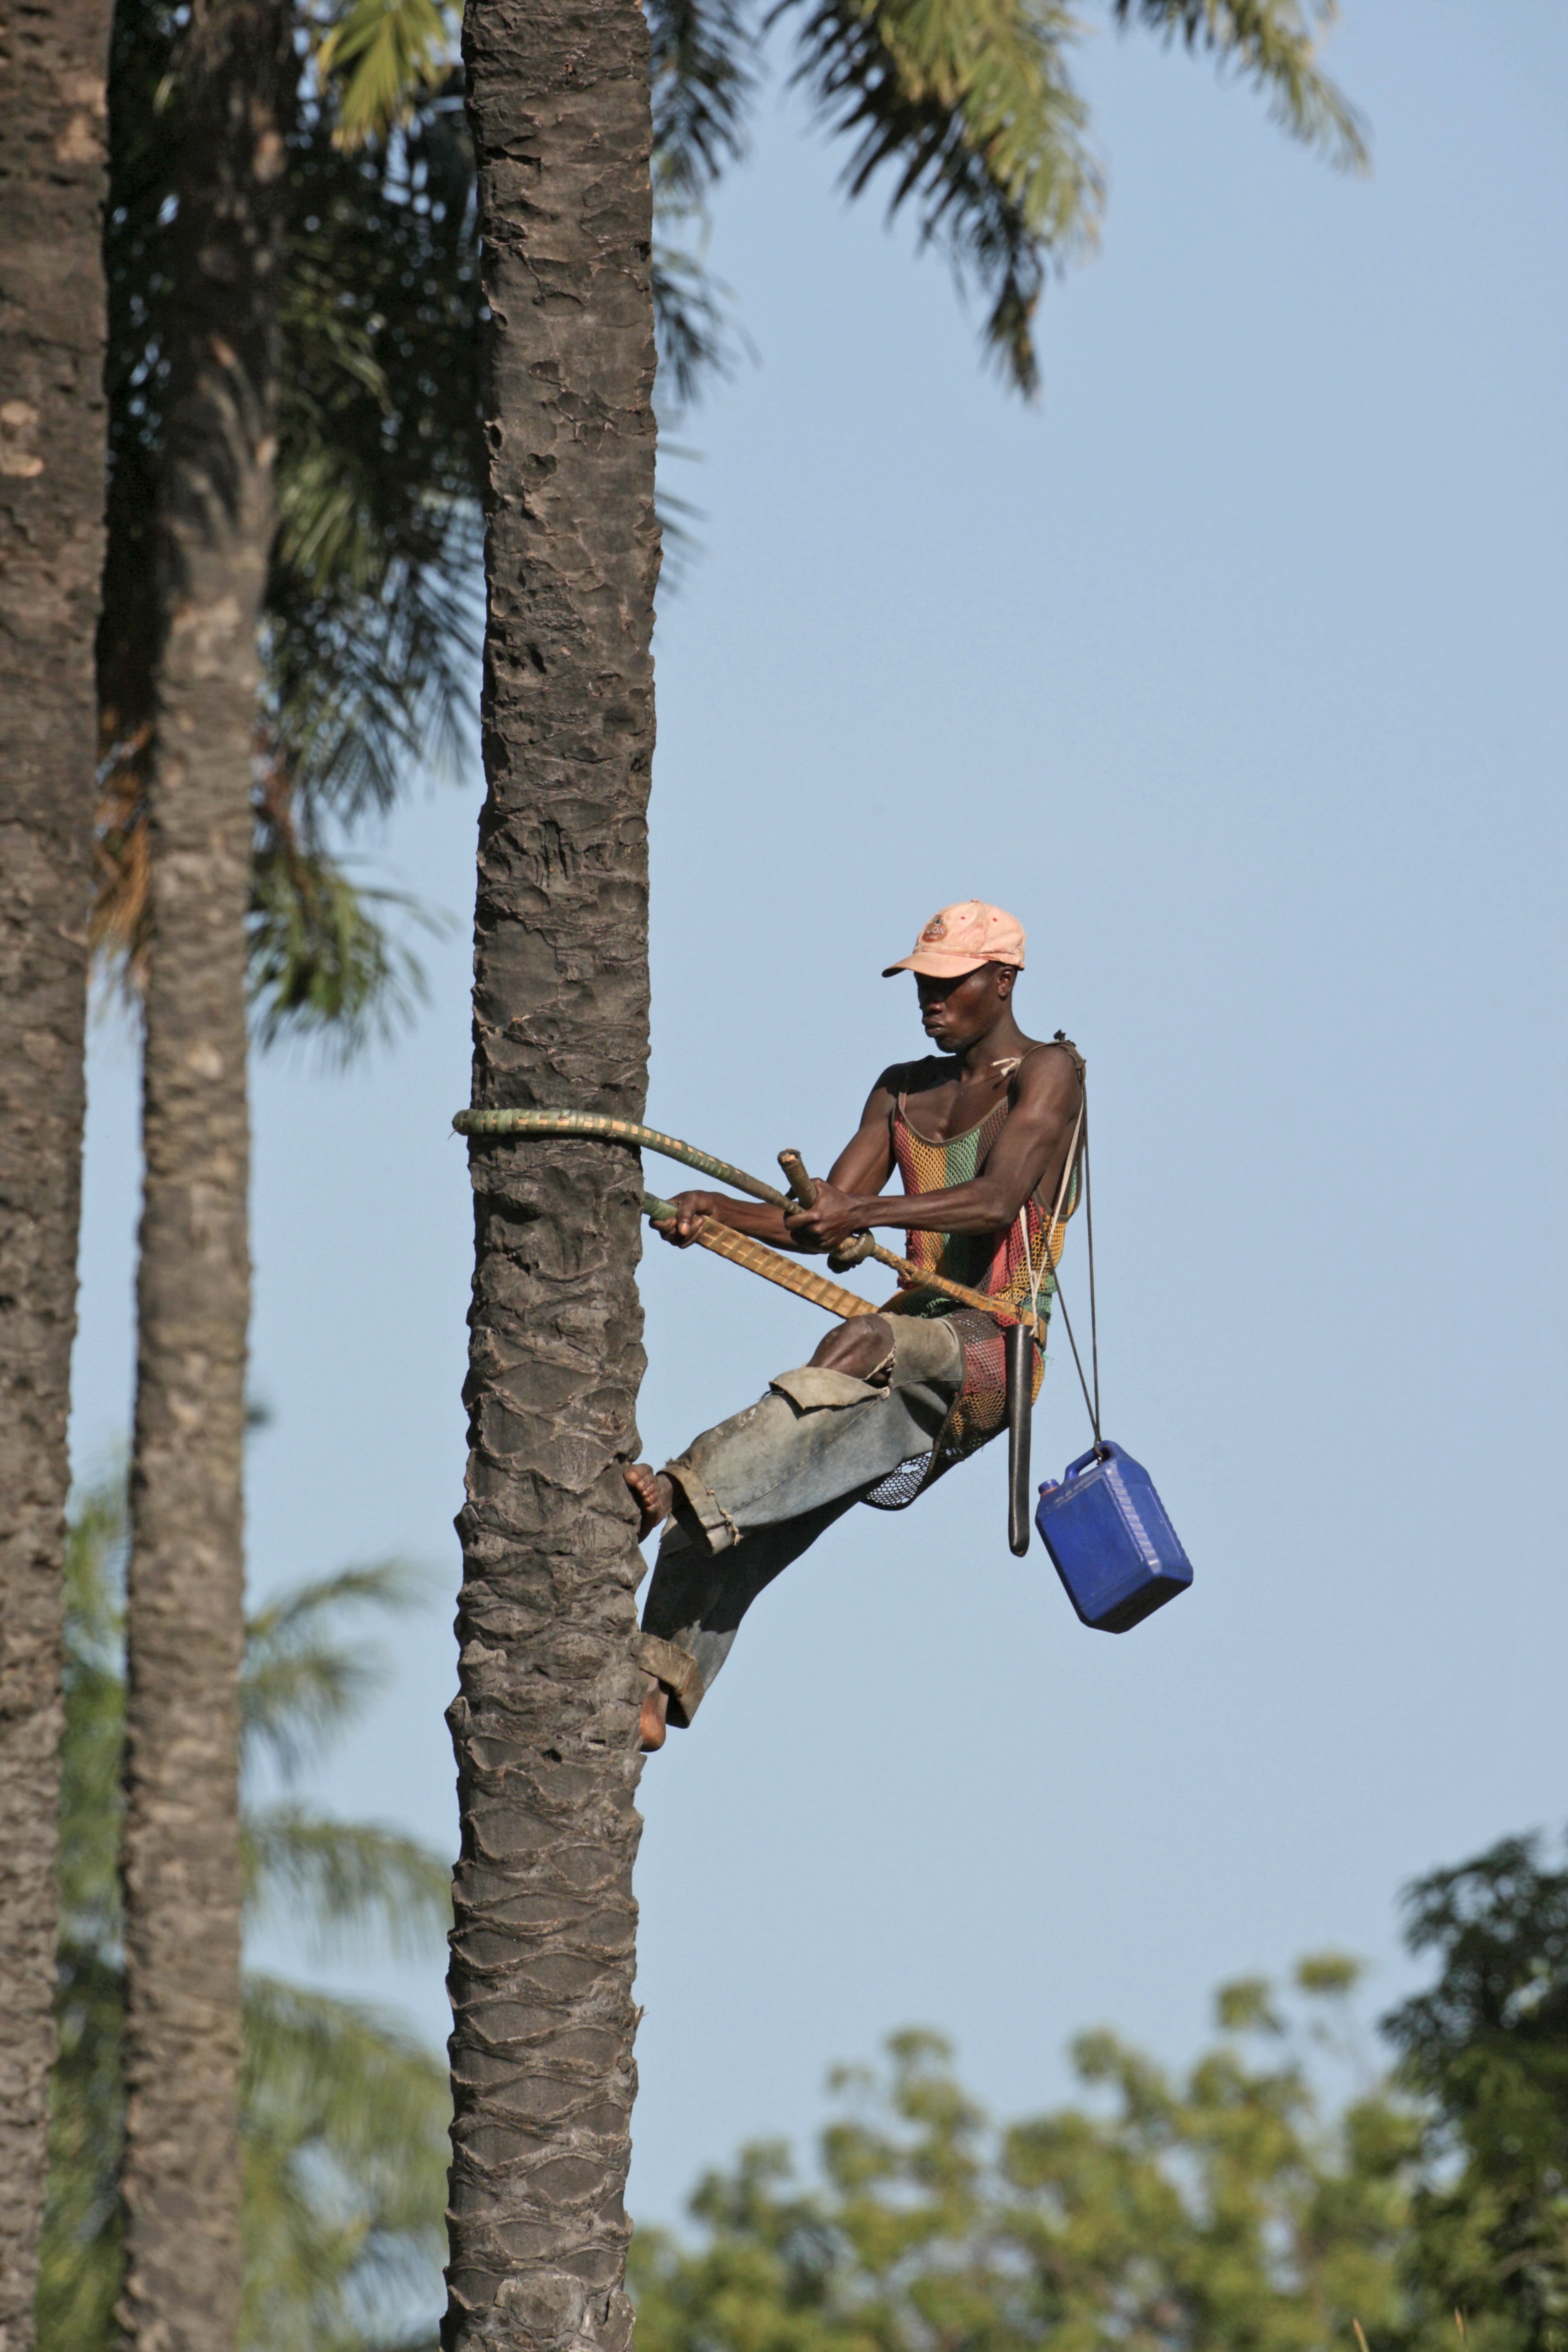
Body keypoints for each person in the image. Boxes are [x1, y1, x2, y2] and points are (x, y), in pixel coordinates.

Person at [626, 900, 1084, 1751]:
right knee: (767, 1501)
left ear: (1004, 980)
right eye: (922, 985)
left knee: (855, 1347)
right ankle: (654, 1688)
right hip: (902, 1349)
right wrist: (713, 1208)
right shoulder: (900, 1087)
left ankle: (677, 1483)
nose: (931, 1002)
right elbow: (820, 1216)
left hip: (990, 1347)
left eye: (950, 985)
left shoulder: (1047, 1071)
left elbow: (995, 1200)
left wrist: (861, 1211)